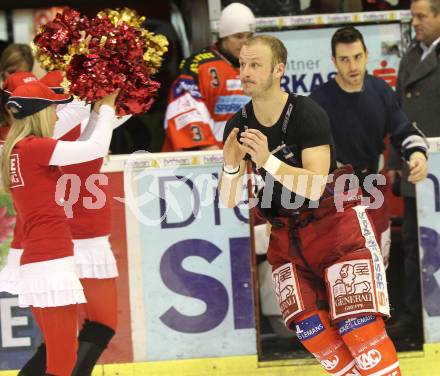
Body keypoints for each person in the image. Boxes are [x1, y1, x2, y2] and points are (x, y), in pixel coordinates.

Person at [219, 34, 402, 375]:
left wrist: (268, 160)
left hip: (336, 229)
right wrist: (231, 166)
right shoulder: (238, 124)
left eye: (255, 65)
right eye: (242, 64)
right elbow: (229, 198)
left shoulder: (306, 113)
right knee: (318, 338)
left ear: (278, 70)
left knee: (360, 332)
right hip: (286, 241)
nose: (245, 71)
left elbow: (316, 185)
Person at [1, 81, 118, 376]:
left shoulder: (18, 149)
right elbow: (95, 148)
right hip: (50, 261)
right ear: (40, 113)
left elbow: (84, 147)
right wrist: (106, 107)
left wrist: (97, 111)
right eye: (54, 108)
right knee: (63, 360)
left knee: (60, 358)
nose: (57, 116)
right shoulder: (35, 149)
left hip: (41, 260)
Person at [310, 26, 428, 267]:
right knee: (346, 269)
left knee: (378, 263)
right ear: (334, 61)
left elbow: (403, 130)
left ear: (366, 54)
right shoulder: (318, 101)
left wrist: (417, 153)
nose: (352, 67)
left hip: (375, 186)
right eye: (344, 59)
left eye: (357, 57)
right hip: (336, 192)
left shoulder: (381, 91)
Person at [387, 0, 440, 339]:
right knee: (410, 242)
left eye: (422, 16)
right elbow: (397, 115)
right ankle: (412, 317)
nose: (415, 22)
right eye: (413, 16)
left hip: (438, 165)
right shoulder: (409, 56)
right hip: (413, 166)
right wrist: (393, 163)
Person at [162, 2, 255, 151]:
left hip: (245, 159)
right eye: (238, 36)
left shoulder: (256, 66)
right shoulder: (198, 65)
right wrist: (207, 148)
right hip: (205, 160)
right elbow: (184, 108)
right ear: (224, 36)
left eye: (249, 36)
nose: (245, 42)